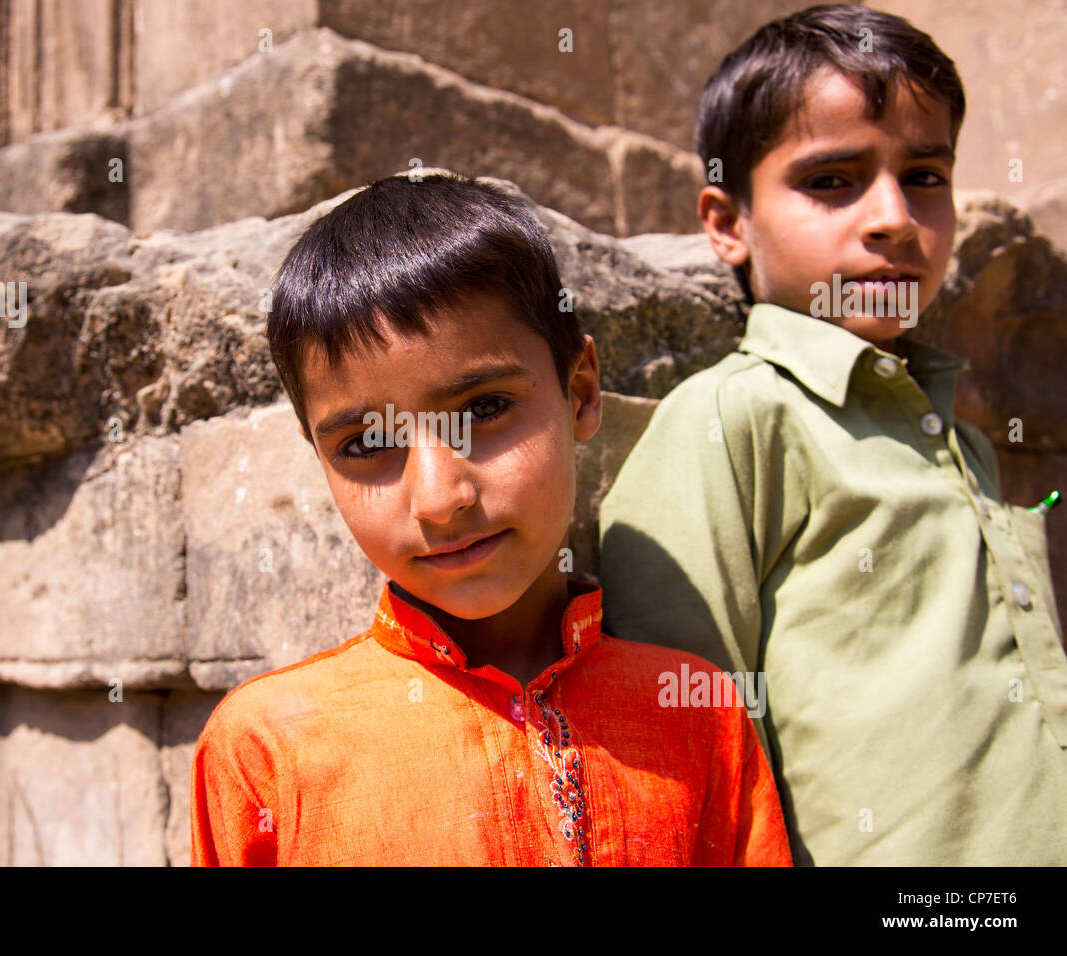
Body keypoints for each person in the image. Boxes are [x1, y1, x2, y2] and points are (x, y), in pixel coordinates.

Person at [189, 171, 792, 865]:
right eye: (366, 444)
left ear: (581, 392)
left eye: (483, 410)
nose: (440, 498)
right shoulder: (266, 748)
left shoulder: (696, 712)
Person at [599, 4, 1067, 865]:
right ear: (728, 223)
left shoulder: (968, 446)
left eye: (925, 175)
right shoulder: (732, 420)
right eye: (832, 180)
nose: (893, 216)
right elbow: (676, 735)